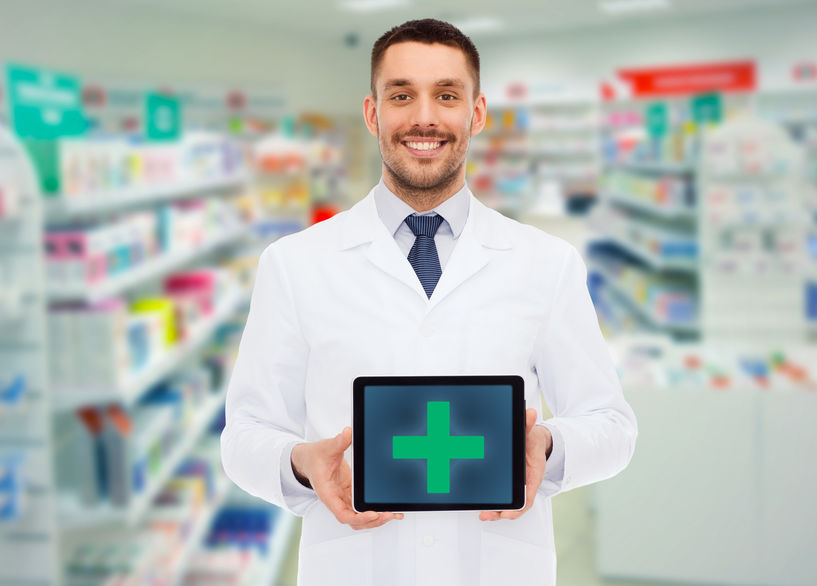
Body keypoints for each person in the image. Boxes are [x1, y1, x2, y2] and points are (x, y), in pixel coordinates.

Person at [221, 18, 637, 586]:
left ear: (477, 113)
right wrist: (301, 464)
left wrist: (547, 447)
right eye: (401, 96)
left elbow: (611, 426)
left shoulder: (547, 263)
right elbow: (244, 435)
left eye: (446, 95)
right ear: (372, 114)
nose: (424, 117)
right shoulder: (294, 264)